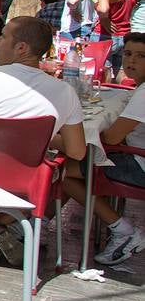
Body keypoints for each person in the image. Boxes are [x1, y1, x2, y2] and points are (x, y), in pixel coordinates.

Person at [0, 16, 86, 267]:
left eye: (3, 37)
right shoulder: (65, 91)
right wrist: (46, 139)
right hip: (27, 178)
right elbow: (77, 151)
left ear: (21, 47)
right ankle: (3, 226)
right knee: (61, 170)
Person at [56, 32, 145, 265]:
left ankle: (123, 230)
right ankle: (42, 222)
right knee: (80, 161)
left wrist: (98, 132)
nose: (131, 61)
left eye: (141, 56)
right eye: (127, 54)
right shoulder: (140, 88)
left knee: (67, 171)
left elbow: (113, 137)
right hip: (136, 157)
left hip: (139, 165)